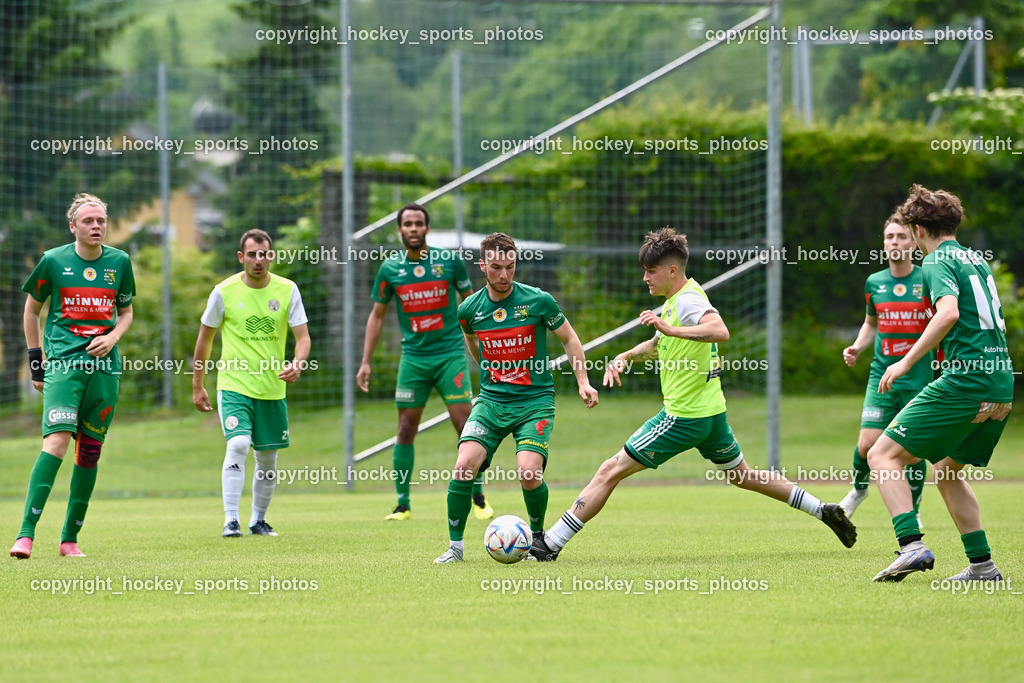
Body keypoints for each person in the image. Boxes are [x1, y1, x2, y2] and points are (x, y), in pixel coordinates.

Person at [529, 227, 857, 562]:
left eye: (651, 270)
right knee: (743, 476)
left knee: (608, 470)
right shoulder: (677, 300)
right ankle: (824, 510)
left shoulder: (687, 301)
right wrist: (626, 356)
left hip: (683, 418)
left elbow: (719, 330)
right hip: (712, 414)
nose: (645, 278)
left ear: (672, 270)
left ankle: (549, 544)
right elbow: (659, 344)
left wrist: (669, 328)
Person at [868, 185, 1012, 583]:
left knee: (882, 455)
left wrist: (906, 360)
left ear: (917, 229)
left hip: (967, 381)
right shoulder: (974, 259)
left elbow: (947, 313)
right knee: (947, 472)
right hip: (1000, 383)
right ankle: (983, 567)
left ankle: (910, 544)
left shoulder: (934, 263)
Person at [434, 232, 599, 563]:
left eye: (510, 266)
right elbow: (472, 340)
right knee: (464, 465)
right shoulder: (469, 309)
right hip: (492, 402)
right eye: (496, 267)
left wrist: (583, 380)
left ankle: (538, 541)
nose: (504, 275)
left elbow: (569, 338)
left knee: (527, 472)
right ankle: (455, 548)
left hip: (534, 401)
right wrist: (485, 365)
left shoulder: (538, 301)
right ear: (482, 266)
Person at [10, 193, 135, 559]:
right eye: (88, 221)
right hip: (64, 366)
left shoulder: (120, 262)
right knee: (57, 442)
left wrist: (111, 337)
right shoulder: (53, 261)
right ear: (73, 226)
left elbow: (125, 313)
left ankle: (68, 540)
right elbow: (31, 312)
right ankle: (25, 535)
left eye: (101, 221)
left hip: (105, 370)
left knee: (90, 452)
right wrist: (37, 362)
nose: (96, 226)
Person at [358, 203, 492, 521]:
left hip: (450, 356)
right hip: (414, 360)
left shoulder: (449, 262)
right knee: (405, 429)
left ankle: (478, 497)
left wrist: (488, 349)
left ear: (427, 229)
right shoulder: (390, 269)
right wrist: (365, 361)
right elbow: (377, 316)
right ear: (399, 230)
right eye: (408, 224)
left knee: (466, 424)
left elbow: (472, 305)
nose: (414, 228)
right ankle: (402, 504)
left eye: (419, 223)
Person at [192, 229, 311, 538]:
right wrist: (198, 384)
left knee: (268, 457)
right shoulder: (223, 291)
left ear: (271, 256)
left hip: (273, 388)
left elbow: (303, 338)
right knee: (239, 444)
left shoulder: (288, 290)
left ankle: (258, 520)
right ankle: (230, 519)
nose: (259, 260)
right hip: (234, 385)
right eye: (253, 254)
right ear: (240, 257)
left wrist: (297, 363)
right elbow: (205, 339)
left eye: (265, 254)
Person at [840, 216, 933, 523]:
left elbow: (942, 322)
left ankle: (914, 511)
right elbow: (871, 323)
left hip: (917, 377)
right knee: (867, 444)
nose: (895, 242)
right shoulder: (874, 283)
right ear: (883, 243)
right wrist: (857, 346)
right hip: (881, 374)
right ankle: (858, 490)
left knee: (913, 449)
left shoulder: (928, 279)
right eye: (889, 236)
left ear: (913, 243)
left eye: (902, 237)